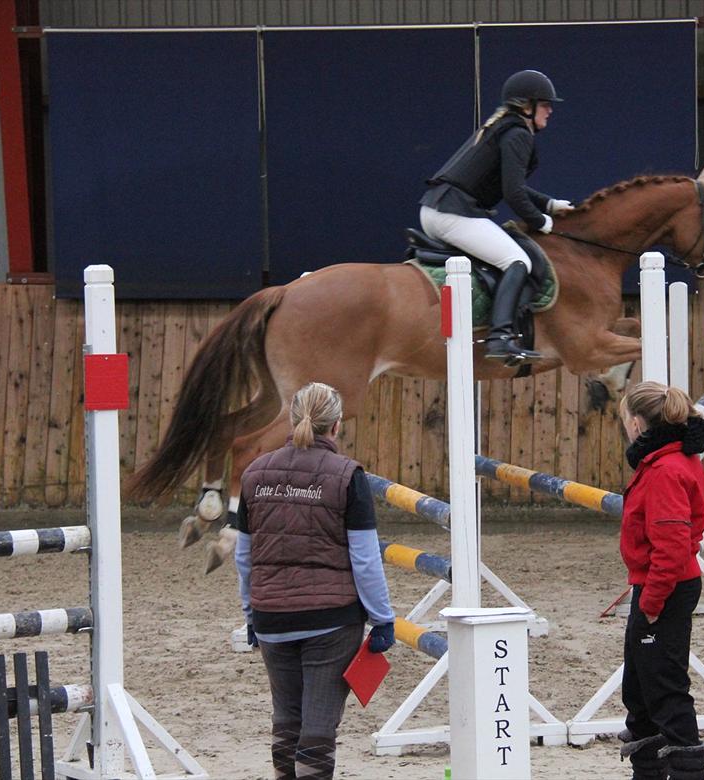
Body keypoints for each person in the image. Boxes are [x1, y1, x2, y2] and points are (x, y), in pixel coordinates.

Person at [235, 382, 395, 780]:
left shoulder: (254, 474)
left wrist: (251, 614)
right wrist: (382, 618)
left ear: (292, 420)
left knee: (286, 721)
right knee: (318, 728)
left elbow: (244, 557)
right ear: (336, 426)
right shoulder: (348, 476)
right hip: (331, 621)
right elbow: (365, 559)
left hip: (271, 617)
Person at [419, 69, 574, 364]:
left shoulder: (504, 128)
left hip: (438, 209)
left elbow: (512, 186)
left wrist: (550, 204)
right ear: (526, 106)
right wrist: (542, 222)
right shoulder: (517, 134)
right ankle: (500, 338)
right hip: (453, 213)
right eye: (545, 104)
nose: (550, 110)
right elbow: (513, 194)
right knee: (518, 261)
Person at [616, 381, 704, 780]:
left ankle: (686, 770)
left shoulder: (665, 470)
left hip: (665, 588)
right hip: (659, 584)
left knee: (663, 688)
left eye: (625, 420)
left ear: (636, 424)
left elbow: (673, 545)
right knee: (640, 687)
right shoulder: (674, 460)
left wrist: (652, 602)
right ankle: (648, 771)